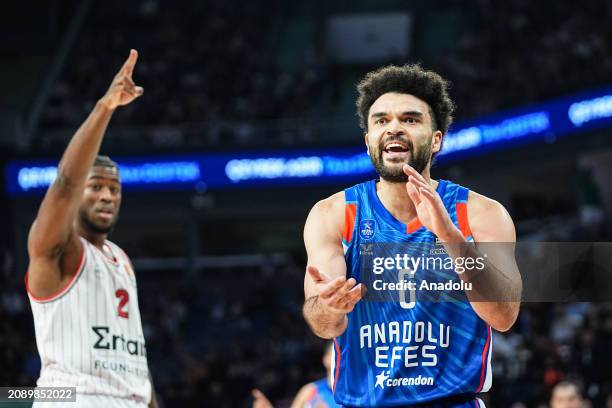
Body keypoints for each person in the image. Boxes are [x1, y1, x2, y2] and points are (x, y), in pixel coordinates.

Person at [302, 64, 522, 407]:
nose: (394, 129)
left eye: (410, 119)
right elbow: (322, 324)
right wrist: (329, 306)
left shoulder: (480, 213)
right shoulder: (333, 214)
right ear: (368, 141)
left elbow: (504, 315)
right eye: (381, 121)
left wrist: (449, 236)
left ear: (436, 140)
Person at [26, 49, 158, 408]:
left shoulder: (121, 259)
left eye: (114, 189)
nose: (107, 196)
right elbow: (66, 181)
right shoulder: (56, 248)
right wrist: (106, 107)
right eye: (96, 186)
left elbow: (134, 356)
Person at [252, 343, 340, 408]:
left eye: (343, 354)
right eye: (335, 353)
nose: (339, 357)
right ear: (325, 359)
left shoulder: (352, 393)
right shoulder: (310, 390)